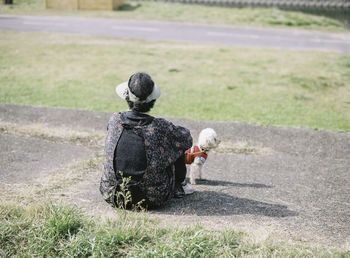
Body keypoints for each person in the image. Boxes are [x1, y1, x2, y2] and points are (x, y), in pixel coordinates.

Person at [100, 72, 194, 209]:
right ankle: (180, 186)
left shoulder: (115, 120)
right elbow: (186, 139)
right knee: (175, 143)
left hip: (113, 194)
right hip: (151, 198)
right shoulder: (161, 126)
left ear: (127, 97)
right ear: (152, 100)